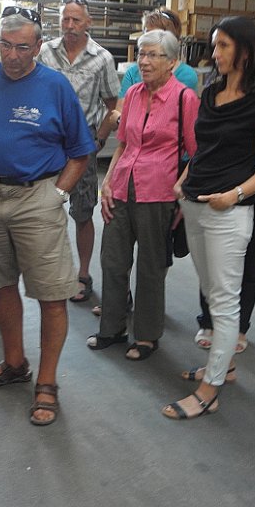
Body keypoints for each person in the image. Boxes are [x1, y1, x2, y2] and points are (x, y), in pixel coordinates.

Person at [0, 8, 94, 426]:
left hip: (36, 198)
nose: (11, 55)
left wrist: (56, 195)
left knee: (51, 293)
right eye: (5, 46)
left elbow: (80, 151)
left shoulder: (55, 87)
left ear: (38, 47)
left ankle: (47, 382)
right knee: (0, 284)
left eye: (22, 48)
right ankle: (14, 364)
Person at [163, 16, 255, 419]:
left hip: (229, 211)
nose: (215, 53)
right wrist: (183, 181)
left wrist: (234, 195)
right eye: (215, 45)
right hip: (194, 202)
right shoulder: (212, 92)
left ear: (246, 52)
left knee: (226, 302)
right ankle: (223, 366)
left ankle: (209, 389)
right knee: (213, 294)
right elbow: (204, 149)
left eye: (223, 46)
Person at [88, 29, 198, 360]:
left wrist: (181, 190)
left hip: (159, 192)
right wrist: (107, 183)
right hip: (122, 186)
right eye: (141, 54)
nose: (144, 62)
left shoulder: (184, 99)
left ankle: (148, 335)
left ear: (173, 62)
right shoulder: (134, 94)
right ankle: (112, 327)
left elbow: (198, 153)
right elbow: (123, 144)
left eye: (153, 55)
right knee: (112, 260)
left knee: (151, 266)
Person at [194, 71, 255, 352]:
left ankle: (240, 326)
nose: (218, 54)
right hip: (219, 184)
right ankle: (209, 320)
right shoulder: (216, 88)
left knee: (251, 258)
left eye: (226, 48)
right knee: (211, 258)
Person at [37, 0, 119, 304]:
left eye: (76, 20)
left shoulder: (102, 58)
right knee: (43, 209)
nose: (70, 26)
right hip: (46, 143)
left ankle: (83, 274)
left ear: (88, 23)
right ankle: (49, 271)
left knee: (83, 212)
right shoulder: (45, 52)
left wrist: (98, 140)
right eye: (65, 19)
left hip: (81, 145)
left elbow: (112, 105)